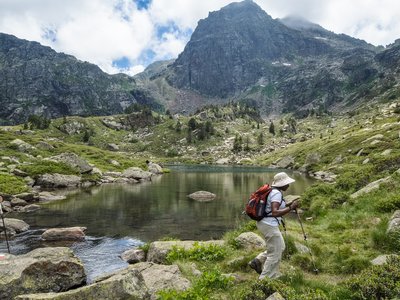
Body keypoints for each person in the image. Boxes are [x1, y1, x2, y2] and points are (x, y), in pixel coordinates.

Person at [249, 172, 299, 279]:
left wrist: (289, 205)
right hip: (269, 225)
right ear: (281, 184)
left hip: (265, 223)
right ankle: (265, 281)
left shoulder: (273, 191)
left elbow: (272, 209)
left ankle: (258, 261)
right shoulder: (276, 194)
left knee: (280, 247)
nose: (288, 185)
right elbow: (275, 212)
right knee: (274, 255)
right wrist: (291, 208)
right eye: (287, 183)